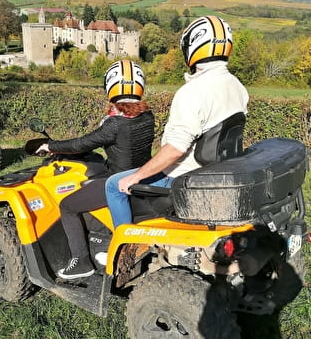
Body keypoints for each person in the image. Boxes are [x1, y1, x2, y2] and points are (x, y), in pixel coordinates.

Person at [105, 16, 249, 228]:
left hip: (183, 176)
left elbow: (175, 149)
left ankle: (123, 247)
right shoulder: (238, 87)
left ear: (193, 47)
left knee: (113, 185)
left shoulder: (192, 91)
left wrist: (135, 177)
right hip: (215, 173)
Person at [36, 60, 155, 279]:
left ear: (111, 86)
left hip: (117, 182)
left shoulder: (114, 124)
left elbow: (81, 143)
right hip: (144, 177)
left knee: (68, 205)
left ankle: (81, 261)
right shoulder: (148, 116)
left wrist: (50, 146)